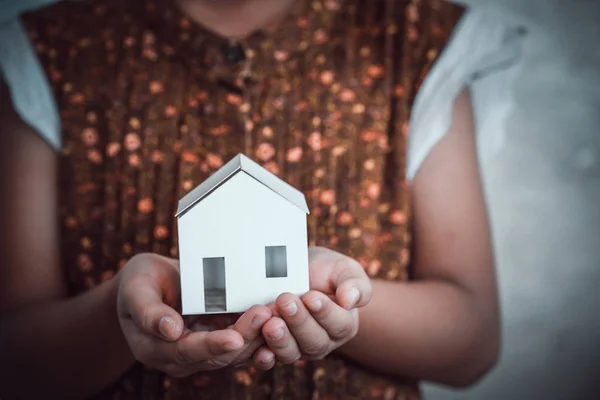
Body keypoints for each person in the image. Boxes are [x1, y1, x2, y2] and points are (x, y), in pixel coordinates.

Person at [0, 0, 522, 398]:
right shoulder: (54, 50)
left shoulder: (412, 42)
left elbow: (471, 341)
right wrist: (119, 313)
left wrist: (331, 296)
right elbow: (16, 362)